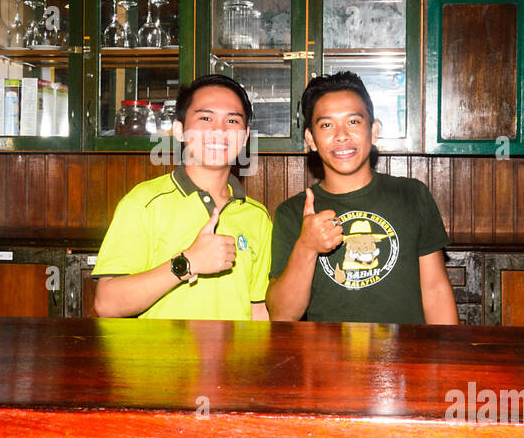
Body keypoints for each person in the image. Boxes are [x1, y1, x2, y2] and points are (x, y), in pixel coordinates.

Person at [266, 71, 458, 324]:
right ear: (311, 139)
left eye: (353, 122)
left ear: (374, 130)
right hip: (326, 362)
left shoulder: (412, 195)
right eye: (326, 125)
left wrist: (446, 360)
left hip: (407, 359)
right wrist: (307, 247)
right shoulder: (293, 212)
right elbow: (282, 315)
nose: (341, 135)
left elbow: (435, 290)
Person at [92, 74, 272, 320]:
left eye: (232, 120)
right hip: (162, 358)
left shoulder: (256, 215)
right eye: (205, 118)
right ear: (179, 129)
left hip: (236, 359)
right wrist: (188, 263)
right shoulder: (144, 202)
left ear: (245, 135)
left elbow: (257, 308)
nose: (219, 130)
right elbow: (107, 304)